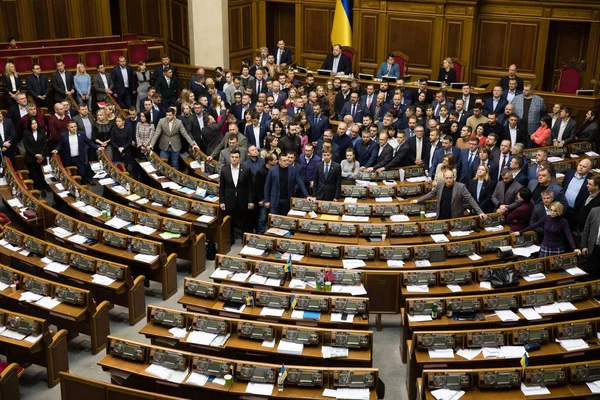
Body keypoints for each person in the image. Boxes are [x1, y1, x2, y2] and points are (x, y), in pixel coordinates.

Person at [413, 169, 486, 220]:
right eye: (447, 178)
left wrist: (480, 212)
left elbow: (470, 199)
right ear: (444, 178)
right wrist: (418, 200)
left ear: (454, 178)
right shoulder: (440, 185)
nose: (449, 180)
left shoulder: (461, 187)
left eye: (450, 178)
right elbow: (431, 194)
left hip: (454, 217)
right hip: (441, 216)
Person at [514, 202, 579, 257]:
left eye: (555, 211)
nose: (552, 212)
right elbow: (534, 225)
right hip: (545, 246)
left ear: (559, 211)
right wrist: (520, 232)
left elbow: (569, 236)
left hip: (557, 248)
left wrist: (574, 248)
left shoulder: (564, 222)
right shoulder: (547, 218)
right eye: (551, 210)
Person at [219, 148, 254, 242]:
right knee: (230, 222)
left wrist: (250, 200)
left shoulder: (246, 170)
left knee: (243, 221)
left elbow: (250, 186)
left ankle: (244, 239)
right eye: (232, 157)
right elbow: (222, 187)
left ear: (239, 158)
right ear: (230, 157)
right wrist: (222, 201)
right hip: (229, 200)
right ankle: (230, 239)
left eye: (236, 157)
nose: (234, 159)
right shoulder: (224, 170)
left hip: (242, 199)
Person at [562, 158, 593, 227]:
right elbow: (563, 188)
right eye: (580, 165)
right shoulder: (569, 173)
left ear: (589, 169)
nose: (581, 167)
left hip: (576, 212)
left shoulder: (591, 179)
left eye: (584, 167)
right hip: (563, 208)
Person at [22, 118, 48, 196]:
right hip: (31, 158)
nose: (34, 125)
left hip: (41, 157)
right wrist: (35, 155)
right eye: (32, 123)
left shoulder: (41, 131)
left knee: (42, 174)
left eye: (35, 123)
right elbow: (27, 146)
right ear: (30, 125)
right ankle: (36, 190)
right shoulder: (26, 133)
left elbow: (44, 144)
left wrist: (41, 154)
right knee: (34, 175)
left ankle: (43, 189)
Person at [256, 152, 278, 233]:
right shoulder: (261, 171)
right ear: (269, 162)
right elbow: (257, 187)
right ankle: (260, 234)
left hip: (274, 197)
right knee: (263, 218)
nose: (277, 161)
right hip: (264, 198)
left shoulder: (276, 169)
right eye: (275, 160)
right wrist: (260, 199)